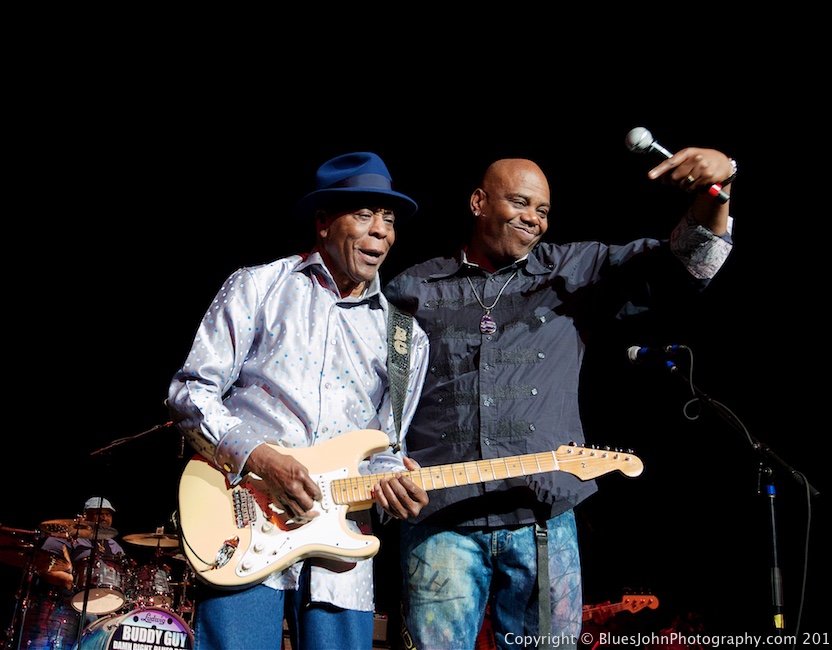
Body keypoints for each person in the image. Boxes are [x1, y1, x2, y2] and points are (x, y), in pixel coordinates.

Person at [383, 148, 736, 649]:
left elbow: (688, 263)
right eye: (520, 202)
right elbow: (377, 397)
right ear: (479, 202)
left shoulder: (572, 272)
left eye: (543, 210)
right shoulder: (413, 289)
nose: (534, 218)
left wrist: (716, 191)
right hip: (441, 520)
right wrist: (384, 464)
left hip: (543, 520)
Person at [166, 152, 432, 649]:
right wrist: (263, 460)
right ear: (324, 222)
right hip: (242, 529)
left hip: (341, 560)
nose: (381, 231)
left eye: (389, 219)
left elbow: (387, 448)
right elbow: (189, 393)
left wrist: (396, 486)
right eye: (365, 214)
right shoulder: (258, 287)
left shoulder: (405, 339)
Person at [19, 496, 130, 649]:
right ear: (85, 515)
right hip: (63, 601)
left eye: (108, 514)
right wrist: (69, 580)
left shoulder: (114, 547)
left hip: (103, 608)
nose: (104, 517)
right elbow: (43, 565)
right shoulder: (66, 536)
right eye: (99, 513)